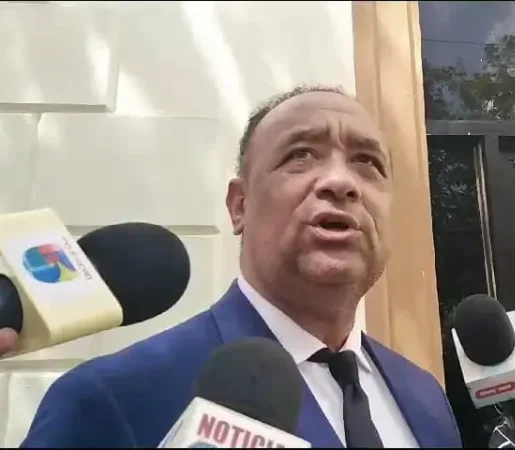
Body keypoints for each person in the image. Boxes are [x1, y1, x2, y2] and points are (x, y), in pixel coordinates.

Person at [19, 85, 464, 448]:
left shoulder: (426, 398)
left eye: (367, 162)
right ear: (239, 206)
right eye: (301, 155)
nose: (340, 182)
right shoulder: (112, 399)